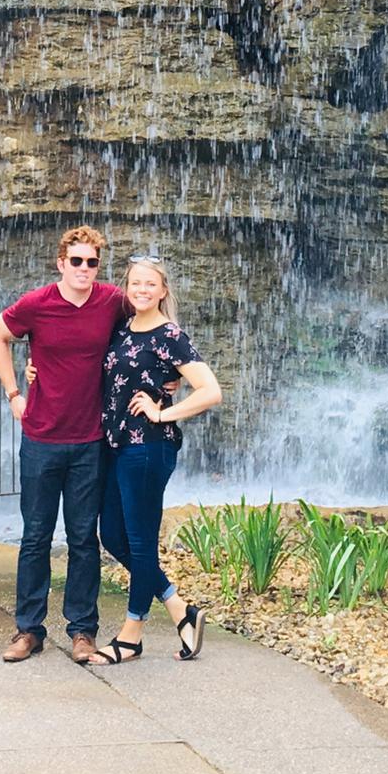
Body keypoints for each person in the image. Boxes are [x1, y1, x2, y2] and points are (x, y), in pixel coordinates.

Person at [0, 225, 126, 665]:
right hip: (42, 437)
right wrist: (14, 393)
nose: (85, 269)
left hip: (90, 440)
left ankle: (83, 631)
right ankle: (29, 630)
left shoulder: (111, 302)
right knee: (36, 537)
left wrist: (173, 375)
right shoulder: (38, 304)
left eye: (92, 262)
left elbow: (148, 325)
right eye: (77, 261)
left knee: (84, 538)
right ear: (61, 263)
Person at [94, 253, 222, 665]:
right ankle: (180, 609)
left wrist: (163, 411)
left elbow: (210, 390)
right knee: (112, 534)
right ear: (126, 289)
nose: (142, 290)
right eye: (135, 284)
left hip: (149, 447)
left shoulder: (171, 335)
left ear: (163, 291)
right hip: (116, 445)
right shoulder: (121, 328)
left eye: (151, 284)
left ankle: (132, 634)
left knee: (140, 539)